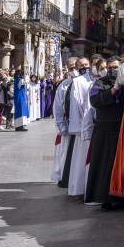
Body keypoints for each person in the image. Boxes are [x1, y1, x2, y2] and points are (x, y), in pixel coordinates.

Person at [84, 56, 124, 208]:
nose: (112, 70)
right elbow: (95, 101)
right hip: (105, 132)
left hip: (123, 130)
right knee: (105, 166)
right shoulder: (99, 83)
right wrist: (114, 89)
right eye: (109, 67)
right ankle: (105, 198)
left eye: (116, 67)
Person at [63, 58, 94, 197]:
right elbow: (73, 105)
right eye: (81, 65)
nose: (84, 67)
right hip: (83, 126)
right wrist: (75, 127)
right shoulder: (75, 82)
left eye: (86, 64)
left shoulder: (95, 80)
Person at [52, 59, 78, 187]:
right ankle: (65, 178)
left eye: (75, 67)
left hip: (81, 127)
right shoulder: (64, 85)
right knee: (65, 154)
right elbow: (58, 106)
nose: (74, 70)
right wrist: (61, 125)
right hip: (68, 126)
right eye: (71, 67)